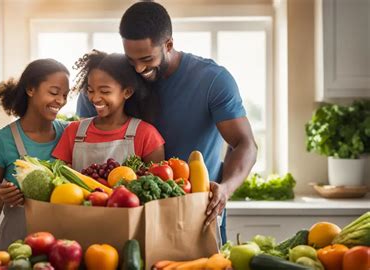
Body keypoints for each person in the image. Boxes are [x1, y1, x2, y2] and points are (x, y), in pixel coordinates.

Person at [76, 2, 258, 242]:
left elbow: (245, 144)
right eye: (131, 60)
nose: (139, 68)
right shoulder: (111, 82)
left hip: (196, 214)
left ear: (168, 44)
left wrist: (226, 188)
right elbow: (85, 143)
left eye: (146, 58)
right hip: (125, 217)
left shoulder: (212, 80)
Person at [0, 59, 70, 251]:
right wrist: (0, 197)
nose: (60, 101)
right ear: (31, 89)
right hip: (16, 248)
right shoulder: (2, 141)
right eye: (54, 92)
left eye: (64, 95)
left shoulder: (69, 134)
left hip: (63, 248)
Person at [53, 50, 165, 171]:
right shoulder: (73, 132)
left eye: (105, 91)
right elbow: (59, 179)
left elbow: (157, 184)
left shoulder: (147, 135)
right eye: (90, 90)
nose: (95, 98)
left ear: (127, 92)